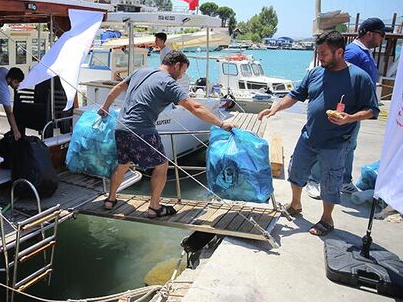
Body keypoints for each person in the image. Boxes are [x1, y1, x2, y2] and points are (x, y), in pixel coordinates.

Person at [258, 31, 379, 236]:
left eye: (323, 53)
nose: (319, 57)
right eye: (318, 52)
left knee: (330, 181)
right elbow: (295, 95)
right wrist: (275, 108)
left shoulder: (359, 77)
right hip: (310, 135)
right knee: (296, 171)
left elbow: (372, 110)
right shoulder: (315, 73)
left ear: (339, 52)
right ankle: (296, 205)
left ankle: (326, 219)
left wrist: (349, 118)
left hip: (336, 141)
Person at [98, 50, 234, 218]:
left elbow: (118, 88)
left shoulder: (141, 71)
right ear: (176, 65)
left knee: (123, 164)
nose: (182, 75)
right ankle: (154, 207)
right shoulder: (168, 83)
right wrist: (221, 123)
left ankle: (110, 200)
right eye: (183, 71)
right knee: (161, 165)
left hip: (121, 127)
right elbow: (194, 107)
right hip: (142, 130)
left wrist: (105, 107)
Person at [305, 18, 388, 198]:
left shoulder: (363, 52)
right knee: (328, 145)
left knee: (348, 146)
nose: (383, 39)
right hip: (341, 113)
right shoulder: (352, 53)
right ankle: (314, 179)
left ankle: (344, 180)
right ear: (370, 33)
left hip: (353, 113)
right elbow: (335, 73)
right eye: (382, 35)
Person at [0, 67, 24, 144]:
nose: (18, 85)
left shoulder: (4, 70)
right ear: (9, 79)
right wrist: (16, 131)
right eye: (16, 82)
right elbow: (9, 113)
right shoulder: (3, 91)